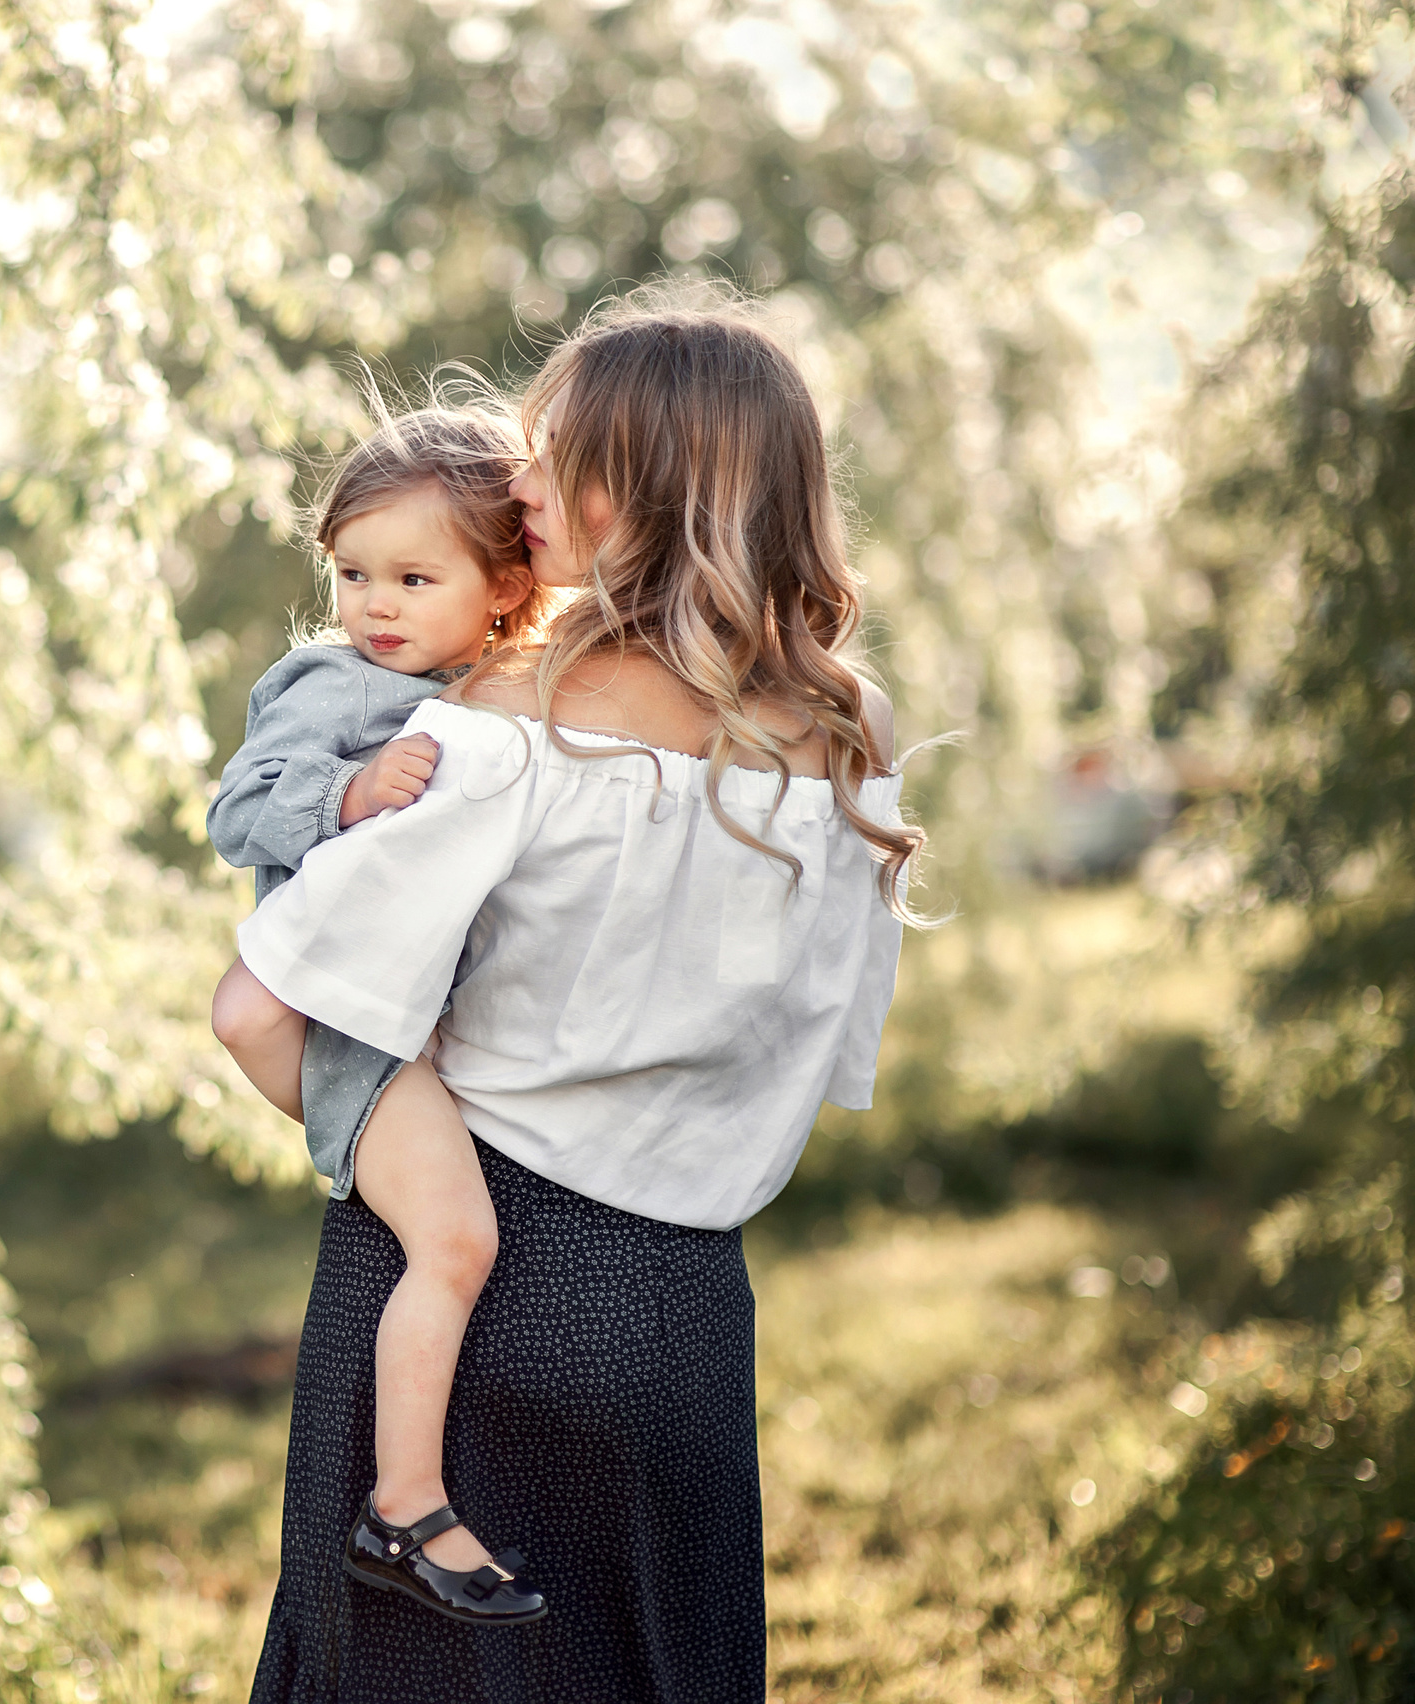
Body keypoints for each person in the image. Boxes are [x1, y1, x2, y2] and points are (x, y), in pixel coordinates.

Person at [240, 283, 928, 1704]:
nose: (519, 485)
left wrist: (387, 1144)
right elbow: (826, 1053)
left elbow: (265, 1007)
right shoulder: (851, 734)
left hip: (459, 1278)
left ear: (658, 491)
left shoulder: (505, 720)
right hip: (684, 1310)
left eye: (559, 460)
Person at [207, 395, 565, 1626]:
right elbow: (237, 812)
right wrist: (348, 793)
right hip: (357, 1034)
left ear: (505, 588)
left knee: (456, 1236)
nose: (375, 606)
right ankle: (405, 1505)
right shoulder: (332, 684)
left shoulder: (508, 687)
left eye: (413, 578)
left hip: (424, 1022)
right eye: (353, 574)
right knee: (455, 1244)